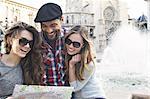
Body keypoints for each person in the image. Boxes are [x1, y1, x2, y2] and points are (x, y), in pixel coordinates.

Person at [0, 22, 44, 98]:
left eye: (31, 43)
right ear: (10, 40)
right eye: (23, 41)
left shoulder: (32, 65)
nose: (27, 46)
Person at [65, 25, 106, 99]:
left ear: (83, 45)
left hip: (94, 97)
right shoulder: (66, 55)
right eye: (68, 41)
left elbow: (74, 88)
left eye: (76, 44)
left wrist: (71, 65)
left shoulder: (89, 63)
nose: (70, 46)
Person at [34, 3, 67, 86]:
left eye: (53, 25)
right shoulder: (35, 41)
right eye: (44, 26)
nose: (49, 30)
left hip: (70, 92)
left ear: (62, 19)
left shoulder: (71, 39)